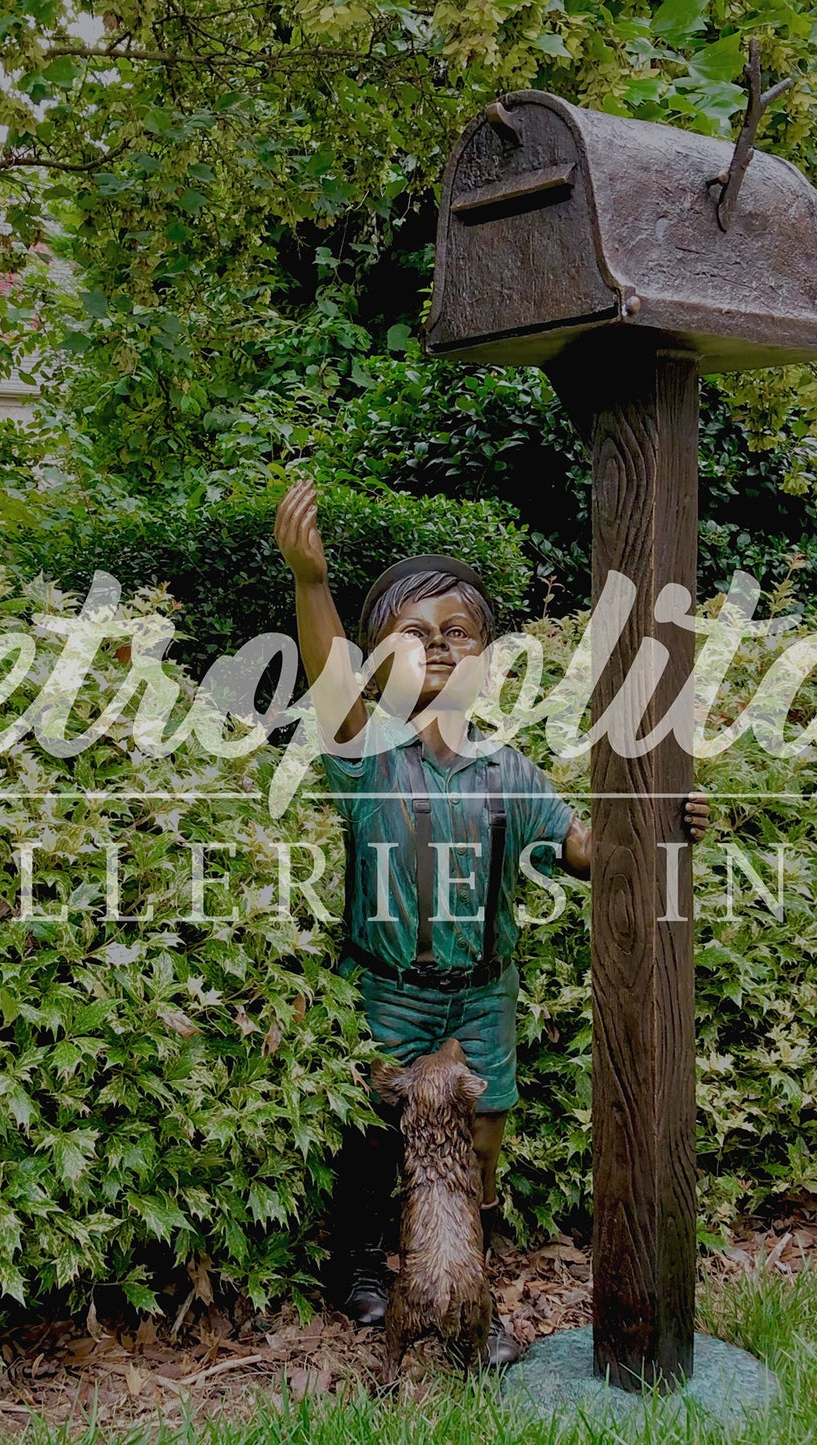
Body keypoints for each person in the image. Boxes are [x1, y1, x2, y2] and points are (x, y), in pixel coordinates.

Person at [273, 476, 709, 1366]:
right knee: (372, 1130)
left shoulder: (506, 768)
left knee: (482, 1133)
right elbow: (323, 675)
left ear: (485, 657)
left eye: (457, 634)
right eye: (413, 634)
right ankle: (361, 1264)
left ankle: (465, 1266)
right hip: (386, 986)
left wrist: (664, 819)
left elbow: (585, 850)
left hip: (482, 996)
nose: (437, 650)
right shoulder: (365, 756)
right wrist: (310, 584)